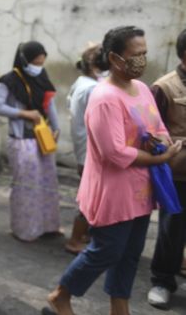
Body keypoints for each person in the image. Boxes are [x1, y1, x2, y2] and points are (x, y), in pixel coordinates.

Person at [46, 26, 183, 315]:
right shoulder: (104, 97)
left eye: (145, 53)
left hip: (141, 191)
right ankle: (61, 294)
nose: (142, 60)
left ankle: (119, 306)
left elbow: (158, 127)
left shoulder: (143, 89)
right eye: (136, 54)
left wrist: (163, 142)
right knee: (106, 251)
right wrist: (159, 158)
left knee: (131, 254)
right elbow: (114, 152)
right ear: (115, 58)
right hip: (113, 192)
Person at [0, 41, 61, 242]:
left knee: (48, 182)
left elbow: (50, 103)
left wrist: (56, 128)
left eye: (42, 62)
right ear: (24, 60)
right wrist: (23, 113)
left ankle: (49, 226)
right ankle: (25, 229)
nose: (38, 67)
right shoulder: (9, 81)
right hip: (22, 141)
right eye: (35, 62)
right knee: (26, 185)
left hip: (43, 139)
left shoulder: (42, 77)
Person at [147, 28, 186, 309]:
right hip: (178, 173)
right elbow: (151, 135)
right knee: (172, 230)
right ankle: (162, 281)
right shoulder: (164, 87)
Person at [64, 44, 104, 255]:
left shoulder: (85, 83)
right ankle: (75, 239)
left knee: (91, 197)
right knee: (90, 199)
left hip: (86, 150)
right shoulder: (91, 88)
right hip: (90, 152)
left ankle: (85, 234)